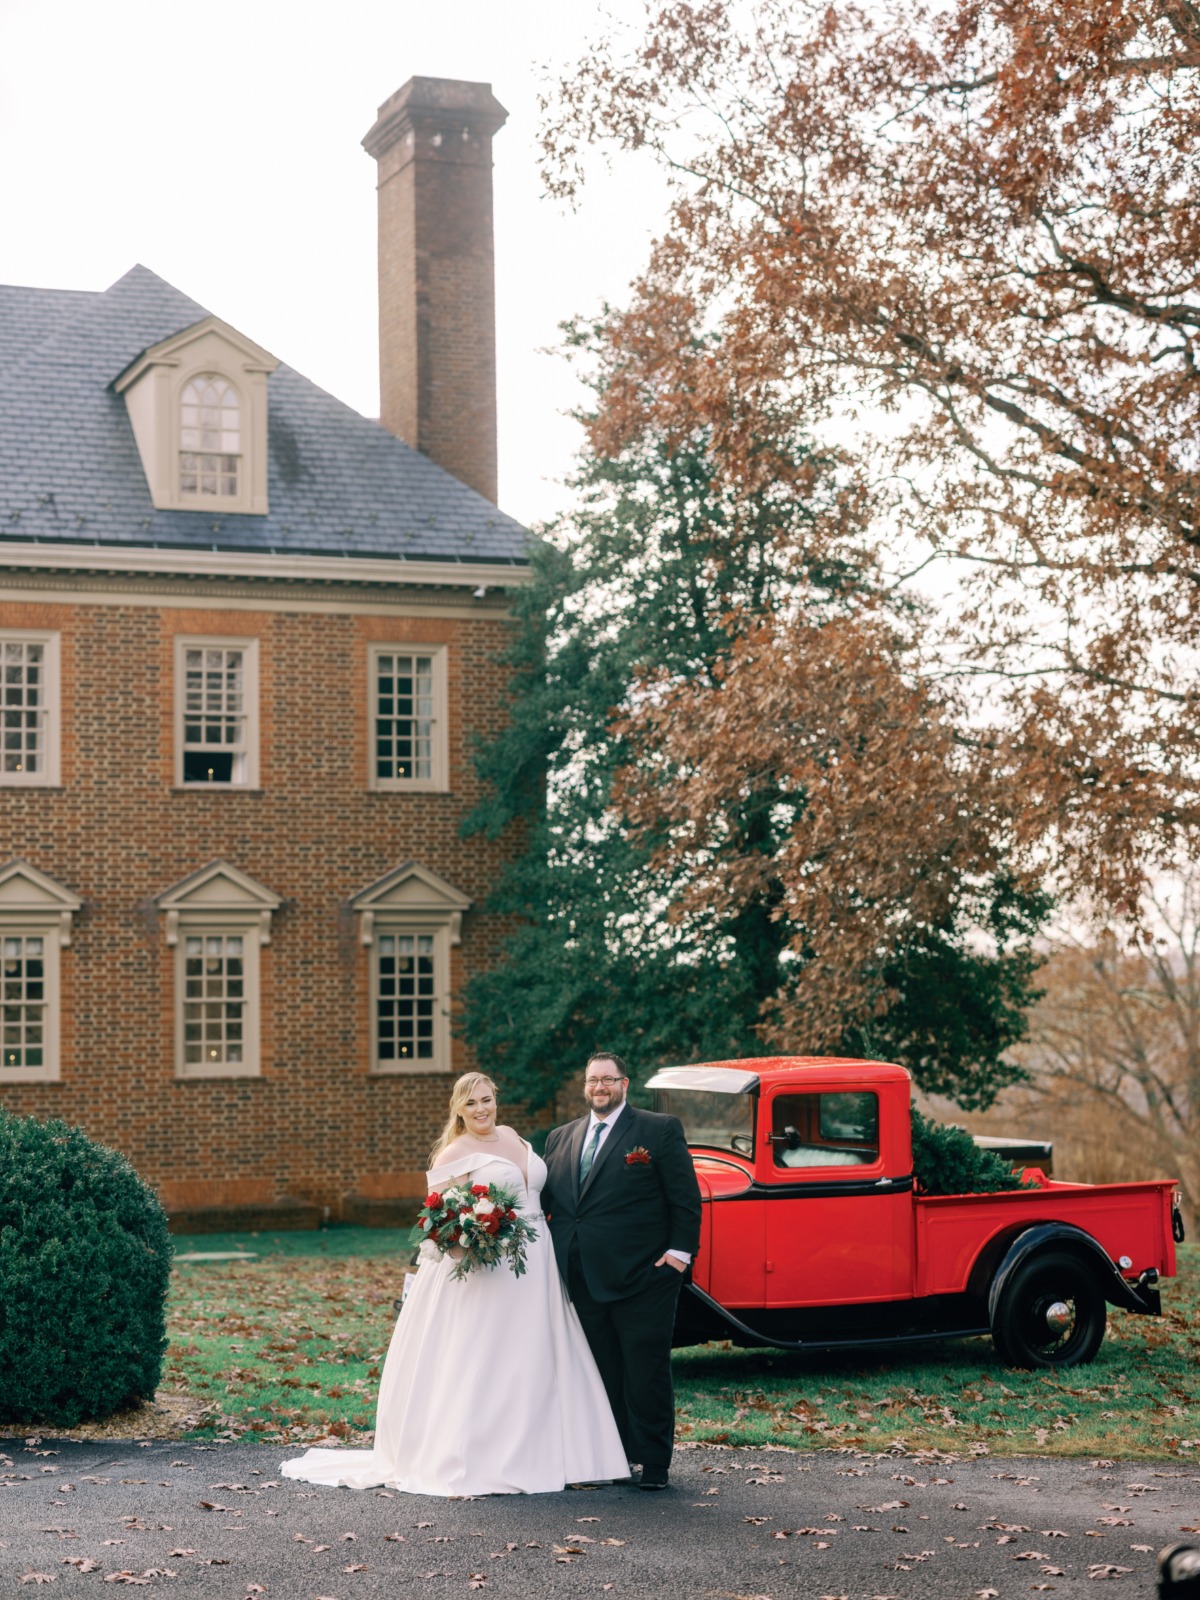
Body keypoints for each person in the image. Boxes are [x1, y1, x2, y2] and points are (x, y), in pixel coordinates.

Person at [280, 1072, 627, 1496]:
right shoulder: (452, 1153)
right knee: (494, 1356)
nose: (481, 1110)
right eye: (471, 1104)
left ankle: (566, 1455)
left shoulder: (514, 1136)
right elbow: (436, 1223)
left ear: (495, 1099)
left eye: (486, 1100)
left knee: (542, 1349)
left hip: (539, 1260)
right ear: (458, 1111)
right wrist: (471, 1241)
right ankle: (488, 1456)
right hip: (492, 1269)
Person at [541, 1051, 703, 1491]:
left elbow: (685, 1200)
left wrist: (678, 1256)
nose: (600, 1087)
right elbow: (549, 1209)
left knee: (645, 1370)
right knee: (600, 1371)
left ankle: (653, 1463)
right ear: (585, 1085)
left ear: (624, 1084)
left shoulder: (657, 1130)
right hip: (580, 1278)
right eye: (593, 1080)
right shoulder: (560, 1138)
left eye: (608, 1080)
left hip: (644, 1279)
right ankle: (609, 1458)